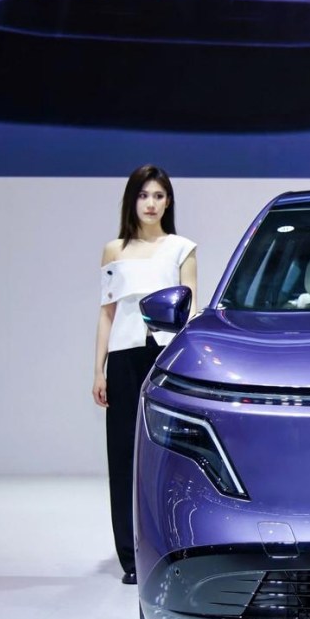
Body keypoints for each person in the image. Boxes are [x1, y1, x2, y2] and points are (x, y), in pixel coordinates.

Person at [92, 165, 197, 585]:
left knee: (167, 458)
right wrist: (98, 369)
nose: (151, 203)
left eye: (158, 195)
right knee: (122, 457)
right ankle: (130, 557)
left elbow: (190, 310)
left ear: (168, 202)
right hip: (122, 358)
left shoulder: (182, 249)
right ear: (131, 200)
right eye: (143, 195)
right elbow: (106, 313)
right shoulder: (114, 250)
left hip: (165, 359)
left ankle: (169, 549)